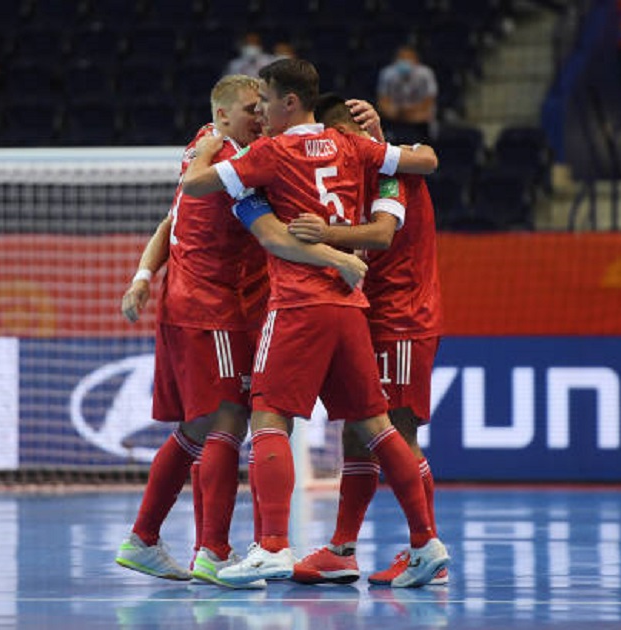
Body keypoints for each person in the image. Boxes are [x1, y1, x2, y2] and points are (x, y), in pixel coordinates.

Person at [181, 58, 449, 588]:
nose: (260, 114)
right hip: (351, 305)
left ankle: (272, 547)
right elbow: (426, 159)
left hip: (301, 303)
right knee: (374, 427)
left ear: (289, 102)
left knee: (269, 417)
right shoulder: (352, 147)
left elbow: (194, 187)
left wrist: (208, 145)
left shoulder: (271, 152)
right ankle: (424, 541)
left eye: (265, 103)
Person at [114, 75, 368, 588]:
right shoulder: (236, 167)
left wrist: (142, 276)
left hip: (194, 304)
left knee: (199, 427)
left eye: (263, 105)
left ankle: (154, 540)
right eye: (252, 108)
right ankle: (210, 550)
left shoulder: (202, 146)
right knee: (227, 419)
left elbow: (169, 221)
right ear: (223, 115)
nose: (260, 115)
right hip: (211, 308)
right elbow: (273, 237)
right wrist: (338, 256)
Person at [285, 95, 447, 586]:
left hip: (402, 320)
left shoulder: (390, 168)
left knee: (398, 432)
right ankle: (342, 550)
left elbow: (381, 236)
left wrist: (323, 235)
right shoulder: (354, 172)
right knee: (357, 433)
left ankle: (426, 549)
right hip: (372, 318)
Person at [376, 45, 438, 145]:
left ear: (416, 60)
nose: (405, 61)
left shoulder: (426, 74)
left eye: (408, 58)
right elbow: (383, 103)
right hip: (395, 119)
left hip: (419, 121)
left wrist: (409, 114)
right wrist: (396, 114)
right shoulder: (387, 74)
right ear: (395, 60)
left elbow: (428, 103)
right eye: (402, 58)